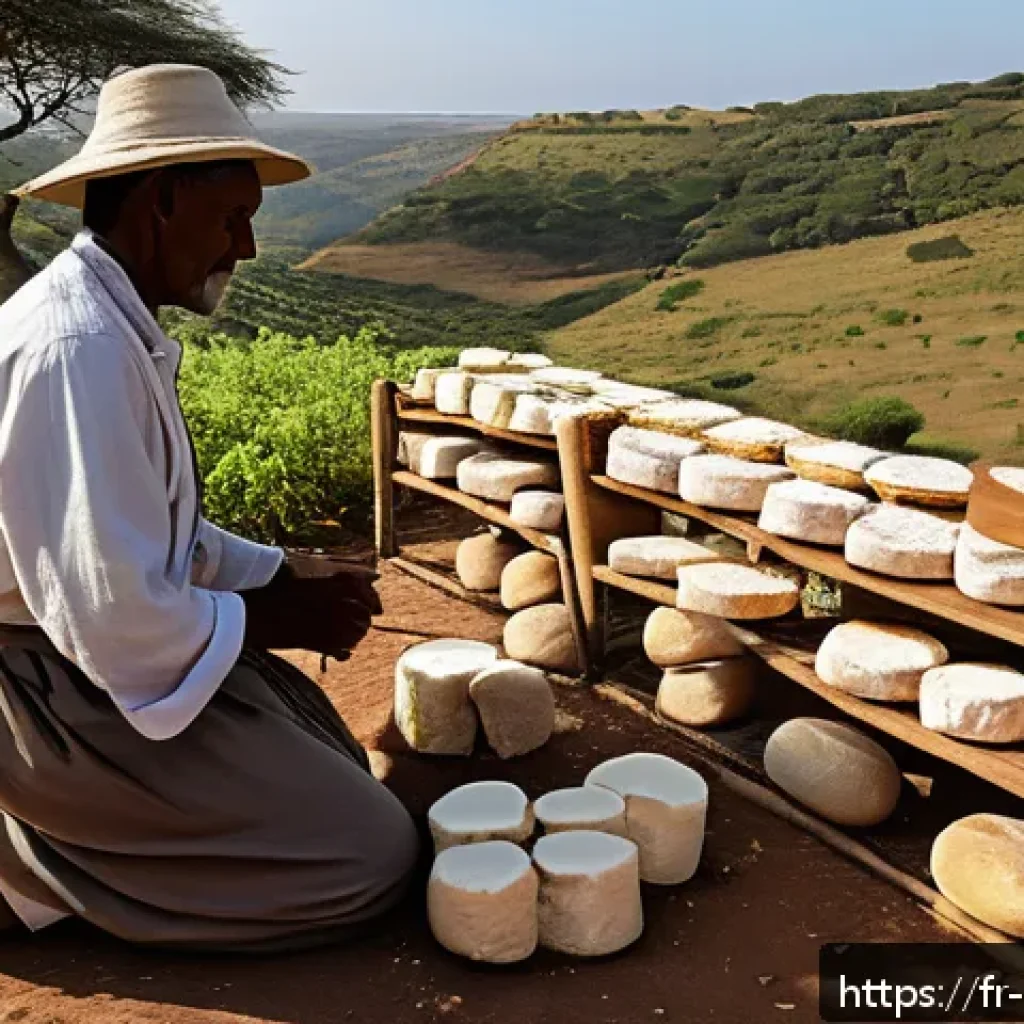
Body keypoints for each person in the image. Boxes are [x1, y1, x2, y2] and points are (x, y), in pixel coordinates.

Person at [0, 64, 418, 952]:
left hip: (74, 651)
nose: (246, 248)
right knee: (367, 856)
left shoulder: (111, 324)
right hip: (38, 683)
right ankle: (34, 870)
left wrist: (284, 572)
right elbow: (112, 618)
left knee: (329, 754)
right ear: (158, 201)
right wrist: (273, 614)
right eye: (233, 220)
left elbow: (155, 540)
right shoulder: (77, 350)